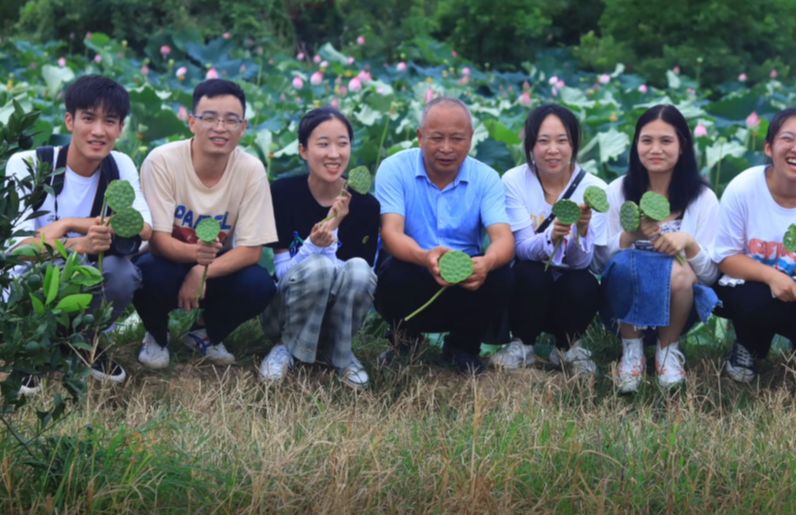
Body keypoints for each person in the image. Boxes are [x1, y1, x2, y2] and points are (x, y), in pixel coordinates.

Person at [5, 75, 152, 386]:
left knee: (124, 272)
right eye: (88, 118)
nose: (98, 131)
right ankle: (30, 348)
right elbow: (17, 252)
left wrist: (70, 227)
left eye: (110, 121)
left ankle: (84, 343)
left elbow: (144, 228)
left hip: (85, 278)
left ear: (120, 128)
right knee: (44, 272)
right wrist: (75, 239)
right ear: (69, 121)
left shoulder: (119, 164)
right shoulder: (29, 164)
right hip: (28, 287)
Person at [134, 79, 276, 369]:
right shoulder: (161, 161)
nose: (220, 127)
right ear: (192, 123)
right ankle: (157, 335)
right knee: (147, 274)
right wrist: (194, 260)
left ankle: (205, 333)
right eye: (209, 118)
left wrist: (202, 271)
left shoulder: (251, 170)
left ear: (243, 127)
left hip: (215, 264)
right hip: (165, 260)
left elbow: (251, 251)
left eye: (231, 120)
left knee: (260, 284)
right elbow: (158, 240)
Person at [373, 96, 514, 374]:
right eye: (436, 138)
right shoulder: (394, 169)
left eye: (457, 139)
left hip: (466, 279)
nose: (446, 148)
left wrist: (485, 263)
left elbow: (504, 240)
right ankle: (405, 340)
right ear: (420, 136)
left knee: (501, 273)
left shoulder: (486, 178)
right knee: (394, 272)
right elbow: (391, 233)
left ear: (471, 139)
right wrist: (425, 258)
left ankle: (464, 346)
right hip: (414, 270)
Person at [713, 107, 796, 396]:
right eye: (787, 138)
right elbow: (725, 257)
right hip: (745, 285)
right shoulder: (744, 188)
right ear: (769, 147)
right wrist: (772, 278)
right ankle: (749, 343)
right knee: (755, 300)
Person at [596, 104, 721, 392]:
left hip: (680, 300)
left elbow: (711, 274)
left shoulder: (703, 199)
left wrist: (688, 244)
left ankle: (667, 351)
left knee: (681, 273)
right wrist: (629, 236)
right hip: (622, 299)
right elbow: (599, 264)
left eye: (666, 141)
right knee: (626, 264)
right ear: (636, 144)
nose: (655, 149)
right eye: (647, 140)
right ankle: (632, 351)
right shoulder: (617, 191)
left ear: (682, 147)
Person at [258, 107, 378, 387]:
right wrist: (313, 246)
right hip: (285, 312)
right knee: (320, 266)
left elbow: (359, 277)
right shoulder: (283, 194)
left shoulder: (367, 206)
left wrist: (332, 236)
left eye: (342, 143)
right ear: (303, 150)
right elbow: (283, 273)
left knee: (359, 269)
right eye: (323, 144)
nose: (334, 154)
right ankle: (285, 347)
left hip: (337, 316)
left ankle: (342, 352)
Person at [490, 104, 606, 375]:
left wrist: (581, 232)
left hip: (569, 285)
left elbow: (583, 262)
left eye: (562, 141)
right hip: (529, 286)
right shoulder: (514, 181)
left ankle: (567, 347)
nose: (553, 149)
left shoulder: (596, 189)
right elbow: (521, 249)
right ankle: (523, 344)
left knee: (584, 283)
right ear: (531, 145)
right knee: (529, 273)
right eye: (543, 141)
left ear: (574, 145)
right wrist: (551, 238)